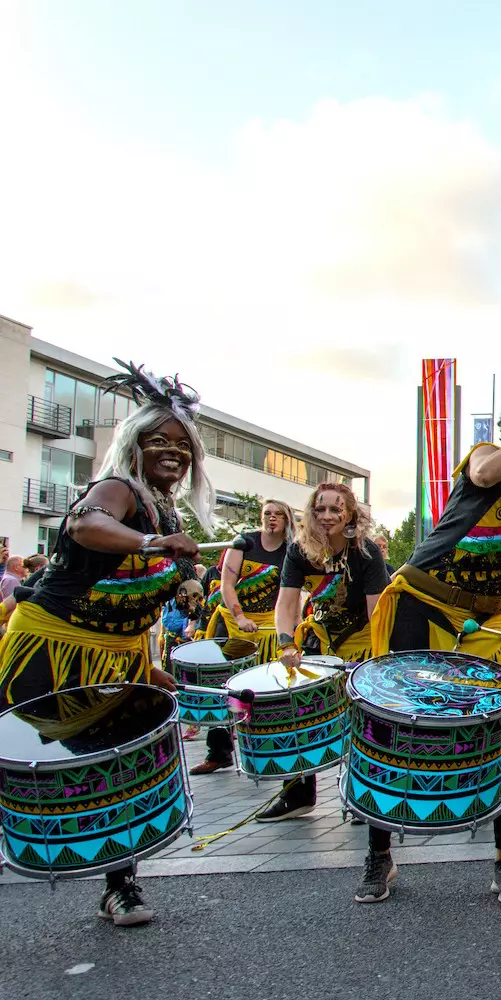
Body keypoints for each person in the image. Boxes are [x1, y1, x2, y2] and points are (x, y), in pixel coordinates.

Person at [0, 361, 207, 926]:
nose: (173, 452)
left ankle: (120, 888)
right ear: (133, 446)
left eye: (182, 444)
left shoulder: (166, 507)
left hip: (115, 658)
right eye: (158, 441)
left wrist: (150, 663)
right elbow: (85, 525)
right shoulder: (117, 490)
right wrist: (153, 540)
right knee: (19, 762)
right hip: (49, 649)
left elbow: (133, 606)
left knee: (113, 769)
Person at [359, 372, 501, 904]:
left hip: (485, 622)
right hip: (420, 603)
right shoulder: (490, 456)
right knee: (397, 728)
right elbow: (483, 470)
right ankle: (379, 856)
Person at [268, 482, 390, 823]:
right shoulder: (299, 550)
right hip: (319, 639)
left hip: (364, 641)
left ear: (350, 514)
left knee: (365, 718)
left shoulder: (366, 552)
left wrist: (372, 663)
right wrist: (285, 642)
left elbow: (376, 613)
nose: (326, 516)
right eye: (320, 509)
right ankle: (297, 793)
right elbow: (287, 602)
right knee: (299, 709)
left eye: (335, 509)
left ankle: (365, 793)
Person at [190, 499, 296, 775]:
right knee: (224, 688)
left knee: (268, 691)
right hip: (233, 624)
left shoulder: (291, 551)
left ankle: (268, 751)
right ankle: (219, 752)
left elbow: (292, 596)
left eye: (278, 515)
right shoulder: (244, 542)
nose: (271, 519)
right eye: (267, 514)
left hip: (269, 629)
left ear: (287, 521)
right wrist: (239, 617)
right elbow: (227, 584)